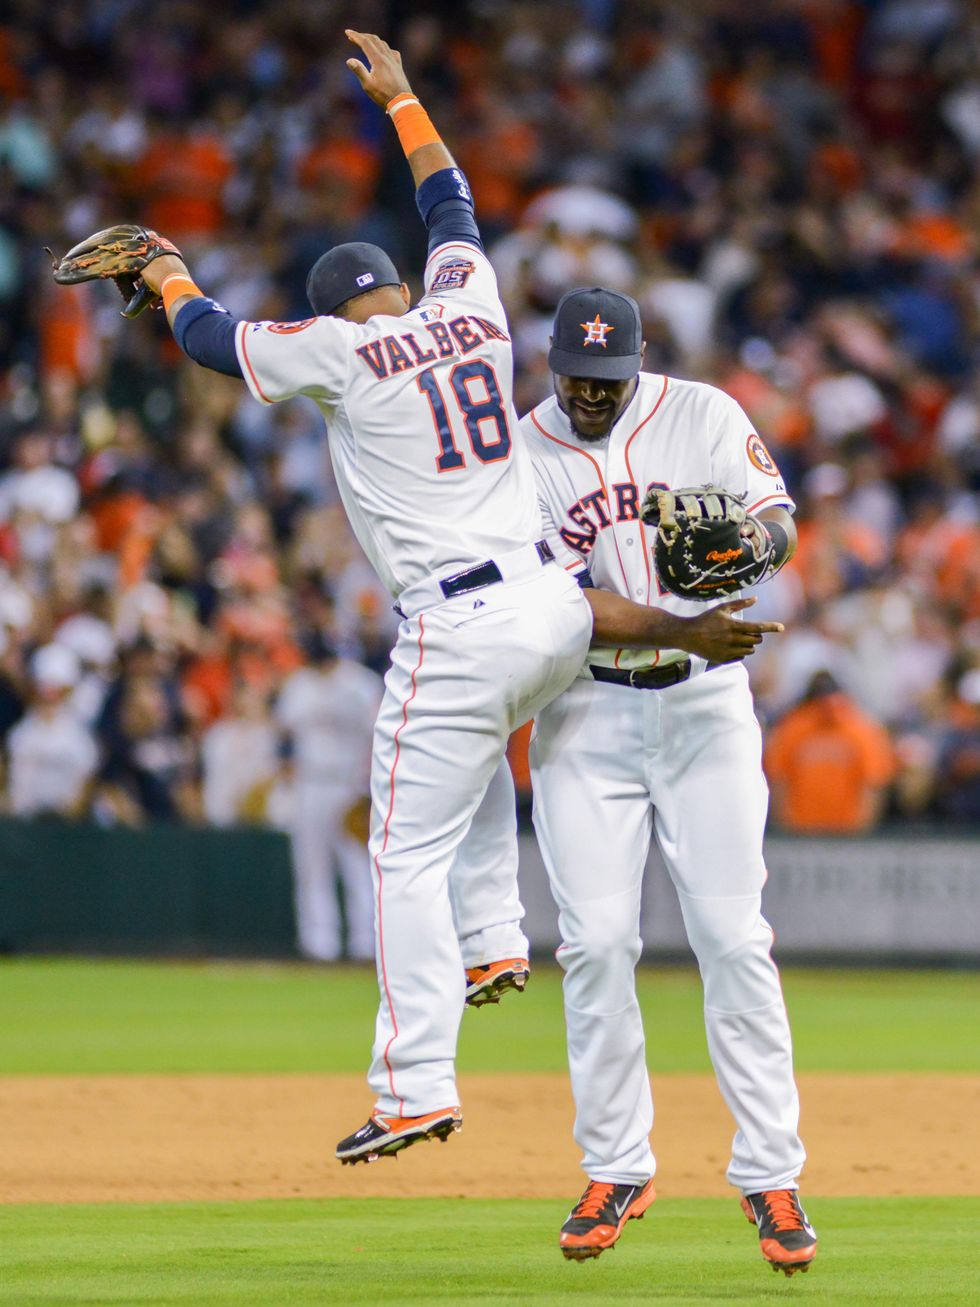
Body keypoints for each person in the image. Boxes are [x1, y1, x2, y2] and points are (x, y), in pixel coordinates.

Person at [72, 33, 774, 1170]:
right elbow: (449, 203)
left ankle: (412, 1084)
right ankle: (495, 938)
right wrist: (403, 99)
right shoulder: (475, 302)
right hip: (553, 604)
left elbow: (208, 341)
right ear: (398, 287)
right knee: (489, 747)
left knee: (401, 848)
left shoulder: (341, 355)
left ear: (341, 309)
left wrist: (165, 272)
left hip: (455, 619)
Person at [522, 287, 817, 1275]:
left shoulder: (699, 413)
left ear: (636, 362)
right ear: (550, 362)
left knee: (734, 936)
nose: (589, 395)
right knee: (595, 941)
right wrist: (677, 620)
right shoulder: (520, 454)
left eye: (606, 380)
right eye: (574, 377)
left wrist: (758, 547)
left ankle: (769, 1173)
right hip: (584, 709)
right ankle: (615, 1162)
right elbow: (552, 604)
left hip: (703, 705)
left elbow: (776, 518)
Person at [275, 631, 383, 962]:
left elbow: (380, 736)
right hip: (310, 783)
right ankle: (319, 944)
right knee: (311, 865)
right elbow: (284, 735)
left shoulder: (360, 684)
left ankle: (366, 944)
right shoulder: (298, 685)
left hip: (349, 784)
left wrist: (370, 788)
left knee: (358, 866)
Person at [765, 669, 896, 833]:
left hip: (833, 833)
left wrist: (860, 831)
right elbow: (778, 781)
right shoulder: (792, 728)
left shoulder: (861, 729)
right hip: (805, 833)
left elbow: (874, 783)